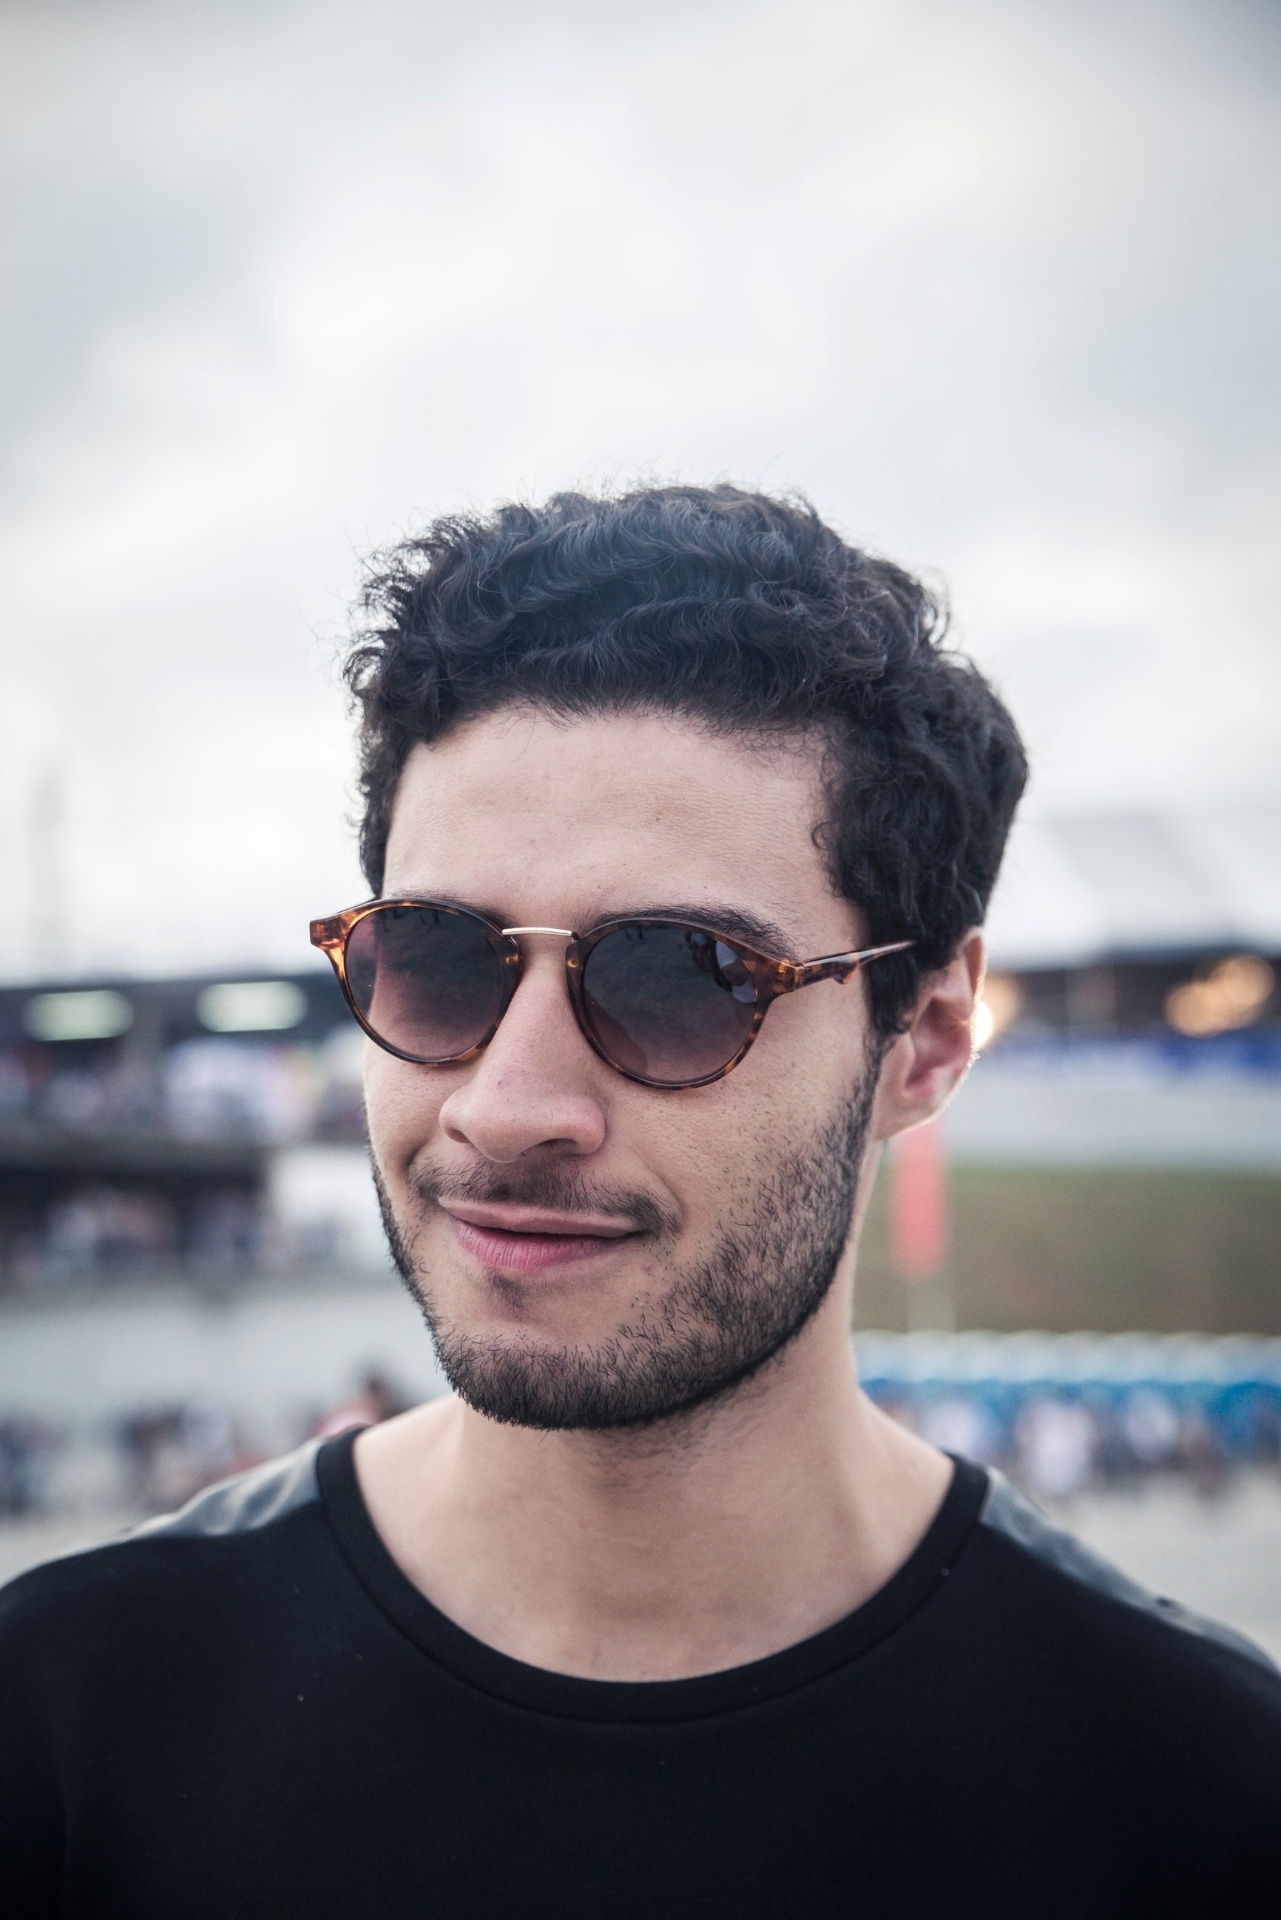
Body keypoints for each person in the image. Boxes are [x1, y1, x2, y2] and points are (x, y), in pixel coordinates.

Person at [2, 486, 1278, 1916]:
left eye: (681, 975)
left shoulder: (1200, 1800)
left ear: (923, 1038)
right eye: (433, 957)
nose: (506, 1104)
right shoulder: (65, 1720)